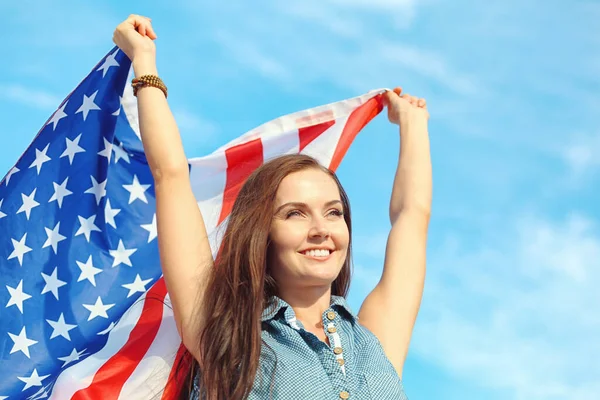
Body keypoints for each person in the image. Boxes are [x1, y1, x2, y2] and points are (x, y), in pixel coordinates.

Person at [113, 13, 431, 400]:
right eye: (295, 213)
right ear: (262, 234)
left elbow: (412, 218)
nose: (321, 229)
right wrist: (144, 62)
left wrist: (413, 125)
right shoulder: (229, 340)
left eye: (333, 212)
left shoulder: (374, 342)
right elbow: (171, 176)